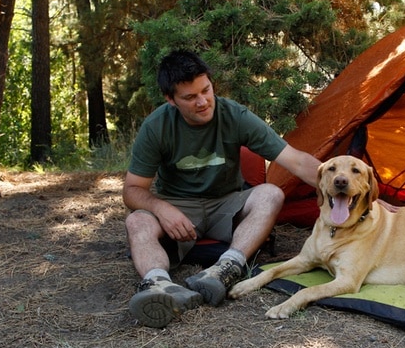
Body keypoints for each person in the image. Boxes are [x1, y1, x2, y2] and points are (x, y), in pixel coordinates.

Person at [123, 50, 320, 328]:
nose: (202, 102)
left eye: (206, 90)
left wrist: (356, 193)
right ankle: (159, 287)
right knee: (137, 220)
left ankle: (224, 270)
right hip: (178, 207)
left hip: (226, 203)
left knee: (271, 194)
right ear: (170, 99)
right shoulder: (157, 126)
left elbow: (297, 161)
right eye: (190, 97)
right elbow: (132, 190)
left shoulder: (234, 115)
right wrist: (161, 208)